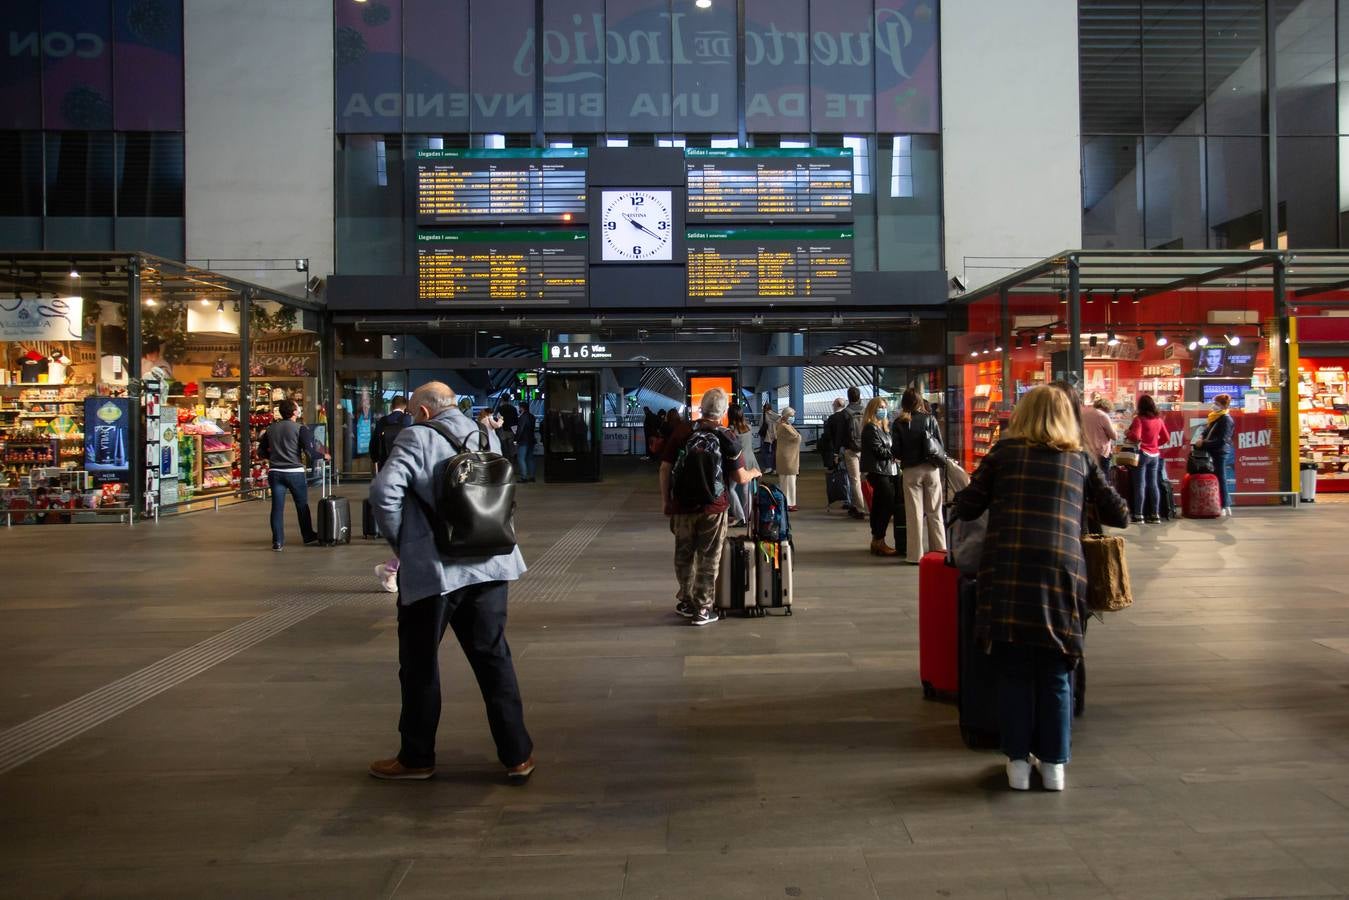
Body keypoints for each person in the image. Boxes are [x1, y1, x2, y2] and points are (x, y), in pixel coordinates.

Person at [954, 385, 1129, 792]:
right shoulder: (1079, 459)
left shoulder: (1004, 454)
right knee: (1055, 672)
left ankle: (1017, 765)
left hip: (1008, 574)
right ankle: (1054, 767)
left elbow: (967, 506)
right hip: (1062, 575)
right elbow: (1118, 512)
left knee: (1014, 671)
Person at [367, 381, 534, 783]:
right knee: (494, 658)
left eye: (411, 412)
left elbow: (384, 493)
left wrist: (406, 546)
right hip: (491, 564)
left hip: (437, 572)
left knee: (420, 664)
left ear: (424, 412)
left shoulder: (416, 436)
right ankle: (517, 756)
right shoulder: (484, 432)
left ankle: (417, 758)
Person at [660, 387, 762, 627]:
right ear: (724, 411)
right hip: (714, 508)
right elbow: (739, 478)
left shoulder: (683, 431)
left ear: (700, 408)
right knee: (709, 557)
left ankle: (685, 601)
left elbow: (665, 468)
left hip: (683, 505)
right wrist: (755, 472)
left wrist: (666, 501)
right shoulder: (727, 436)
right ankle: (703, 608)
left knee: (684, 555)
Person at [258, 399, 329, 551]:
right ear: (294, 412)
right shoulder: (300, 429)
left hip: (275, 472)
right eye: (298, 407)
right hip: (294, 473)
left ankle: (277, 541)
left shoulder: (270, 429)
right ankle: (308, 535)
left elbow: (261, 452)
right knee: (301, 505)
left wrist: (275, 457)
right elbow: (310, 453)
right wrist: (324, 456)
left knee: (277, 507)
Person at [892, 388, 947, 563]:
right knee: (935, 512)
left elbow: (896, 451)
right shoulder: (930, 419)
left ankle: (915, 555)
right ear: (919, 401)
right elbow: (940, 445)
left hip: (910, 471)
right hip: (931, 469)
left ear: (904, 403)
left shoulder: (899, 423)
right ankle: (939, 552)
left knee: (914, 514)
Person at [860, 397, 899, 556]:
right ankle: (879, 539)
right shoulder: (870, 428)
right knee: (886, 504)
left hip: (886, 470)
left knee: (880, 505)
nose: (883, 410)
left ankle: (877, 540)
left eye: (884, 407)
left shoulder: (882, 428)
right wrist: (894, 454)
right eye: (880, 407)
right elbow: (877, 450)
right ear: (873, 409)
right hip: (878, 471)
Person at [1126, 394, 1171, 525]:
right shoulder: (1159, 420)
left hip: (1142, 454)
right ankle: (1155, 515)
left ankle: (1139, 515)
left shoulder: (1139, 419)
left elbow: (1135, 436)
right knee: (1153, 484)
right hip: (1155, 455)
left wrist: (1127, 433)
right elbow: (1166, 437)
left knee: (1140, 485)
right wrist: (1156, 444)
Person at [1194, 392, 1235, 516]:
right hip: (1213, 450)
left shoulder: (1226, 419)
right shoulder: (1215, 416)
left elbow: (1221, 440)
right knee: (1217, 477)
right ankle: (1221, 504)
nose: (1213, 406)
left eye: (1216, 404)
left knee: (1220, 477)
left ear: (1223, 406)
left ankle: (1225, 505)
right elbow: (1207, 430)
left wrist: (1204, 444)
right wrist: (1202, 436)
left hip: (1220, 452)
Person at [727, 405, 760, 524]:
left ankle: (740, 516)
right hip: (750, 460)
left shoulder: (731, 431)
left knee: (730, 489)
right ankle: (747, 516)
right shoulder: (749, 428)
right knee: (747, 490)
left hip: (738, 462)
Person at [840, 387, 867, 517]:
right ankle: (871, 504)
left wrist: (839, 450)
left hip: (851, 449)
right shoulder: (865, 411)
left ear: (848, 397)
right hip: (866, 449)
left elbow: (842, 434)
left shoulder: (845, 412)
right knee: (867, 478)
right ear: (859, 396)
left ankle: (859, 508)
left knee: (855, 480)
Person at [775, 406, 802, 511]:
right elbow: (797, 438)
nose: (793, 417)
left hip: (784, 457)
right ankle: (789, 503)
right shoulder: (785, 427)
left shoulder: (782, 425)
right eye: (792, 416)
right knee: (789, 482)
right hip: (788, 458)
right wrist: (798, 435)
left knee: (785, 481)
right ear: (786, 416)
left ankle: (786, 502)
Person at [1082, 398, 1117, 472]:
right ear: (1107, 407)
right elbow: (1114, 436)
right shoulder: (1103, 415)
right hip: (1101, 452)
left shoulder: (1084, 414)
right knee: (1102, 477)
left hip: (1086, 450)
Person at [515, 401, 537, 483]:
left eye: (519, 407)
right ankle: (532, 476)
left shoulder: (522, 417)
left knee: (521, 458)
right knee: (530, 458)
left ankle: (523, 477)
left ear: (522, 408)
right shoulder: (532, 416)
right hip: (531, 439)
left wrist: (516, 439)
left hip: (524, 440)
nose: (519, 409)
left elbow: (520, 429)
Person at [759, 400, 780, 474]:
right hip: (775, 435)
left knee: (765, 452)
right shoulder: (776, 415)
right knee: (775, 452)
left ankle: (768, 467)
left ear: (764, 408)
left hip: (766, 436)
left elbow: (761, 425)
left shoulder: (764, 415)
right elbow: (780, 421)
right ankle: (775, 469)